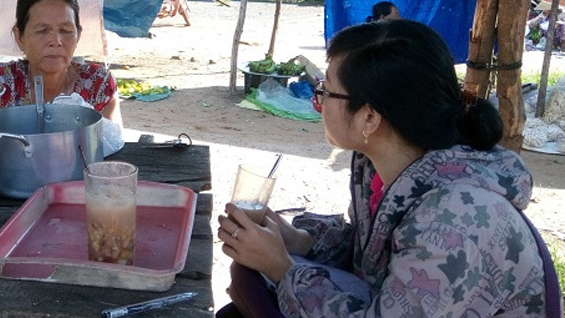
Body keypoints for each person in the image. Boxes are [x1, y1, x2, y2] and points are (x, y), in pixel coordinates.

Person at [217, 19, 555, 317]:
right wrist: (300, 241)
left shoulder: (454, 222)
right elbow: (376, 257)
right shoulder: (384, 169)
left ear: (369, 117)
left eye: (325, 91)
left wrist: (281, 267)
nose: (316, 101)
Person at [0, 0, 120, 122]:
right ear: (19, 37)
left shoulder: (99, 85)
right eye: (42, 31)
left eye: (65, 31)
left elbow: (114, 141)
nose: (56, 41)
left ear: (78, 35)